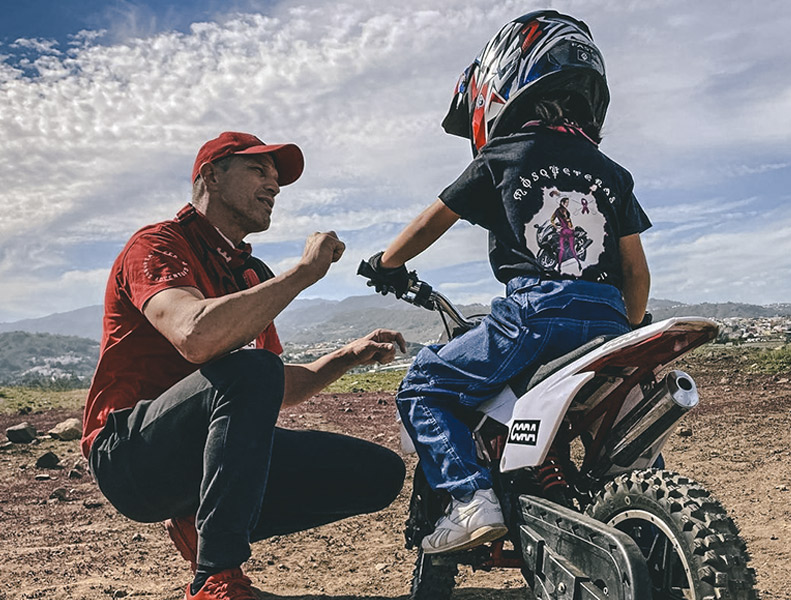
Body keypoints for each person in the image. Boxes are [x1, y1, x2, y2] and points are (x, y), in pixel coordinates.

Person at [362, 10, 651, 555]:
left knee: (423, 384)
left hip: (536, 312)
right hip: (609, 318)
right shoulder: (611, 170)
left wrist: (388, 263)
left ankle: (473, 500)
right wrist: (629, 326)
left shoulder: (505, 152)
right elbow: (636, 270)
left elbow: (434, 218)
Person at [82, 131, 407, 600]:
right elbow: (194, 335)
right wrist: (303, 274)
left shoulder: (249, 273)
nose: (274, 185)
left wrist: (347, 356)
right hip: (130, 456)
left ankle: (202, 522)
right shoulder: (157, 245)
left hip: (199, 459)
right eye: (258, 170)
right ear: (210, 176)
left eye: (276, 177)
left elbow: (279, 384)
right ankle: (216, 579)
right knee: (249, 368)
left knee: (379, 474)